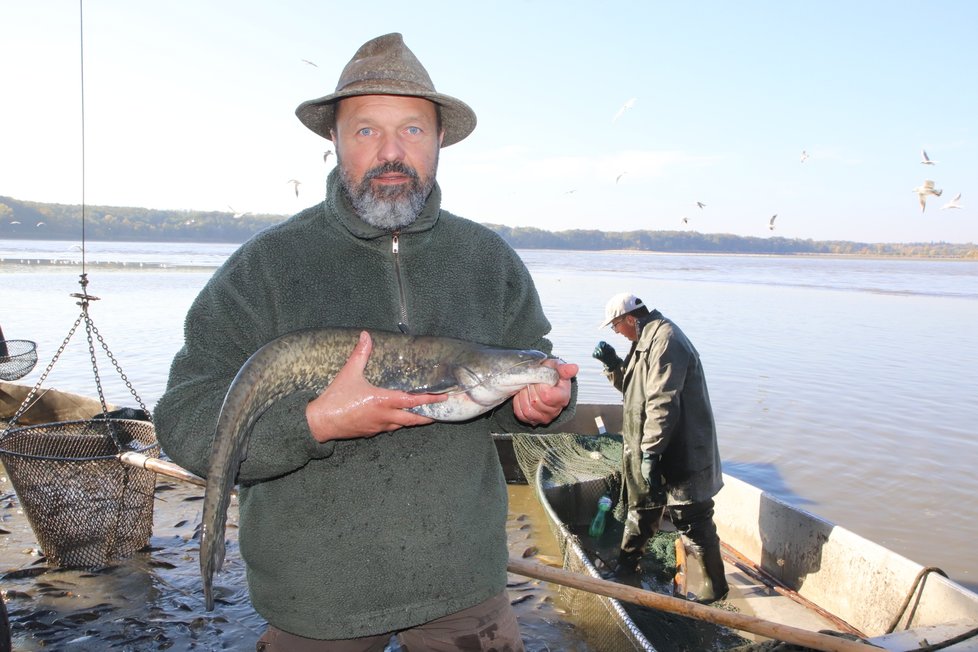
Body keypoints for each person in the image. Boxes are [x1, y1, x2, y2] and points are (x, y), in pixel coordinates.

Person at [153, 33, 578, 651]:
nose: (391, 153)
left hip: (462, 586)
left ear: (439, 142)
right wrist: (315, 424)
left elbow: (533, 362)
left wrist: (545, 404)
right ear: (334, 142)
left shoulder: (489, 260)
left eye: (411, 130)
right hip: (316, 599)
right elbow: (185, 422)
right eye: (365, 131)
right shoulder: (265, 267)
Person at [592, 292, 728, 603]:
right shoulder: (645, 340)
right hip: (653, 446)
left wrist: (651, 452)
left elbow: (662, 401)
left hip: (680, 451)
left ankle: (715, 588)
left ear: (630, 318)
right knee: (642, 509)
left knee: (692, 516)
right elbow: (636, 391)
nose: (617, 332)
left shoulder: (667, 339)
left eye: (616, 326)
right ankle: (627, 568)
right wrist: (613, 365)